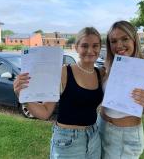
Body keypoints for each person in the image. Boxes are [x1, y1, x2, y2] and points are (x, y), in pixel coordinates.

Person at [13, 27, 103, 159]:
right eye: (84, 45)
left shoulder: (100, 74)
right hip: (68, 142)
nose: (90, 50)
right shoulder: (63, 73)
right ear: (76, 47)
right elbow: (44, 112)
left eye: (95, 46)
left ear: (100, 47)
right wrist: (22, 95)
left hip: (94, 138)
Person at [98, 21, 144, 159]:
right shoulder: (108, 67)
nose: (119, 45)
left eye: (125, 39)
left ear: (134, 40)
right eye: (113, 41)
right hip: (100, 128)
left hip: (125, 137)